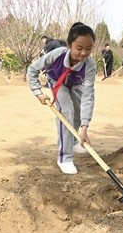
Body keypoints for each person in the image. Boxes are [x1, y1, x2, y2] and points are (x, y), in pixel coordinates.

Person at [28, 23, 96, 174]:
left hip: (75, 84)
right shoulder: (57, 54)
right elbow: (32, 69)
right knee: (67, 112)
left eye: (89, 48)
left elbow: (88, 96)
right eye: (79, 48)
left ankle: (73, 140)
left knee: (78, 113)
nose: (84, 53)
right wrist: (37, 91)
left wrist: (84, 128)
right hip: (57, 81)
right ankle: (65, 157)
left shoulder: (89, 65)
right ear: (70, 45)